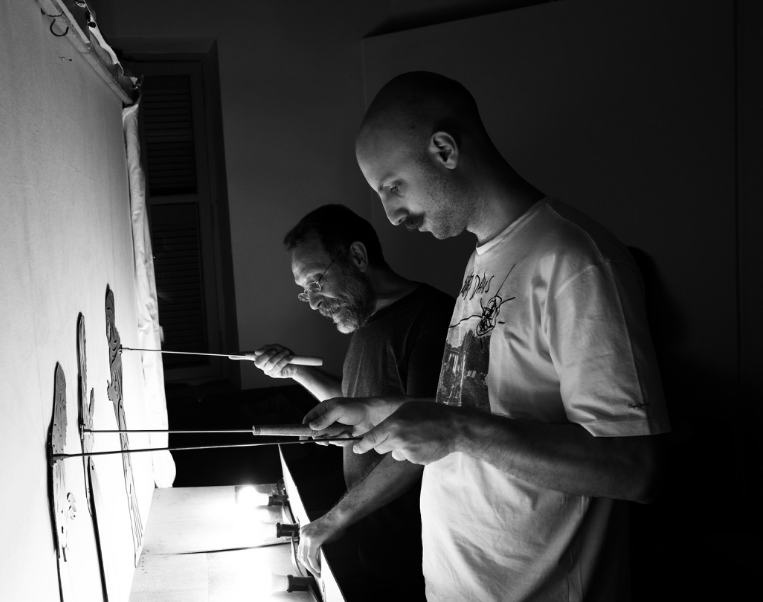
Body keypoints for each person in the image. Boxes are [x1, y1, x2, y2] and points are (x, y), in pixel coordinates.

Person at [305, 72, 671, 602]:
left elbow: (637, 468)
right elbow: (485, 409)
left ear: (445, 150)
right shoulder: (485, 257)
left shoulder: (576, 261)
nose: (391, 214)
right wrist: (383, 410)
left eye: (392, 186)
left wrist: (459, 430)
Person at [253, 204, 454, 600]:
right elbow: (353, 402)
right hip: (375, 537)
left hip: (417, 552)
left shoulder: (431, 318)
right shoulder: (365, 320)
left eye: (316, 281)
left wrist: (335, 519)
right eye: (305, 289)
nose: (312, 301)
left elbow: (424, 440)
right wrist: (292, 370)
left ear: (358, 257)